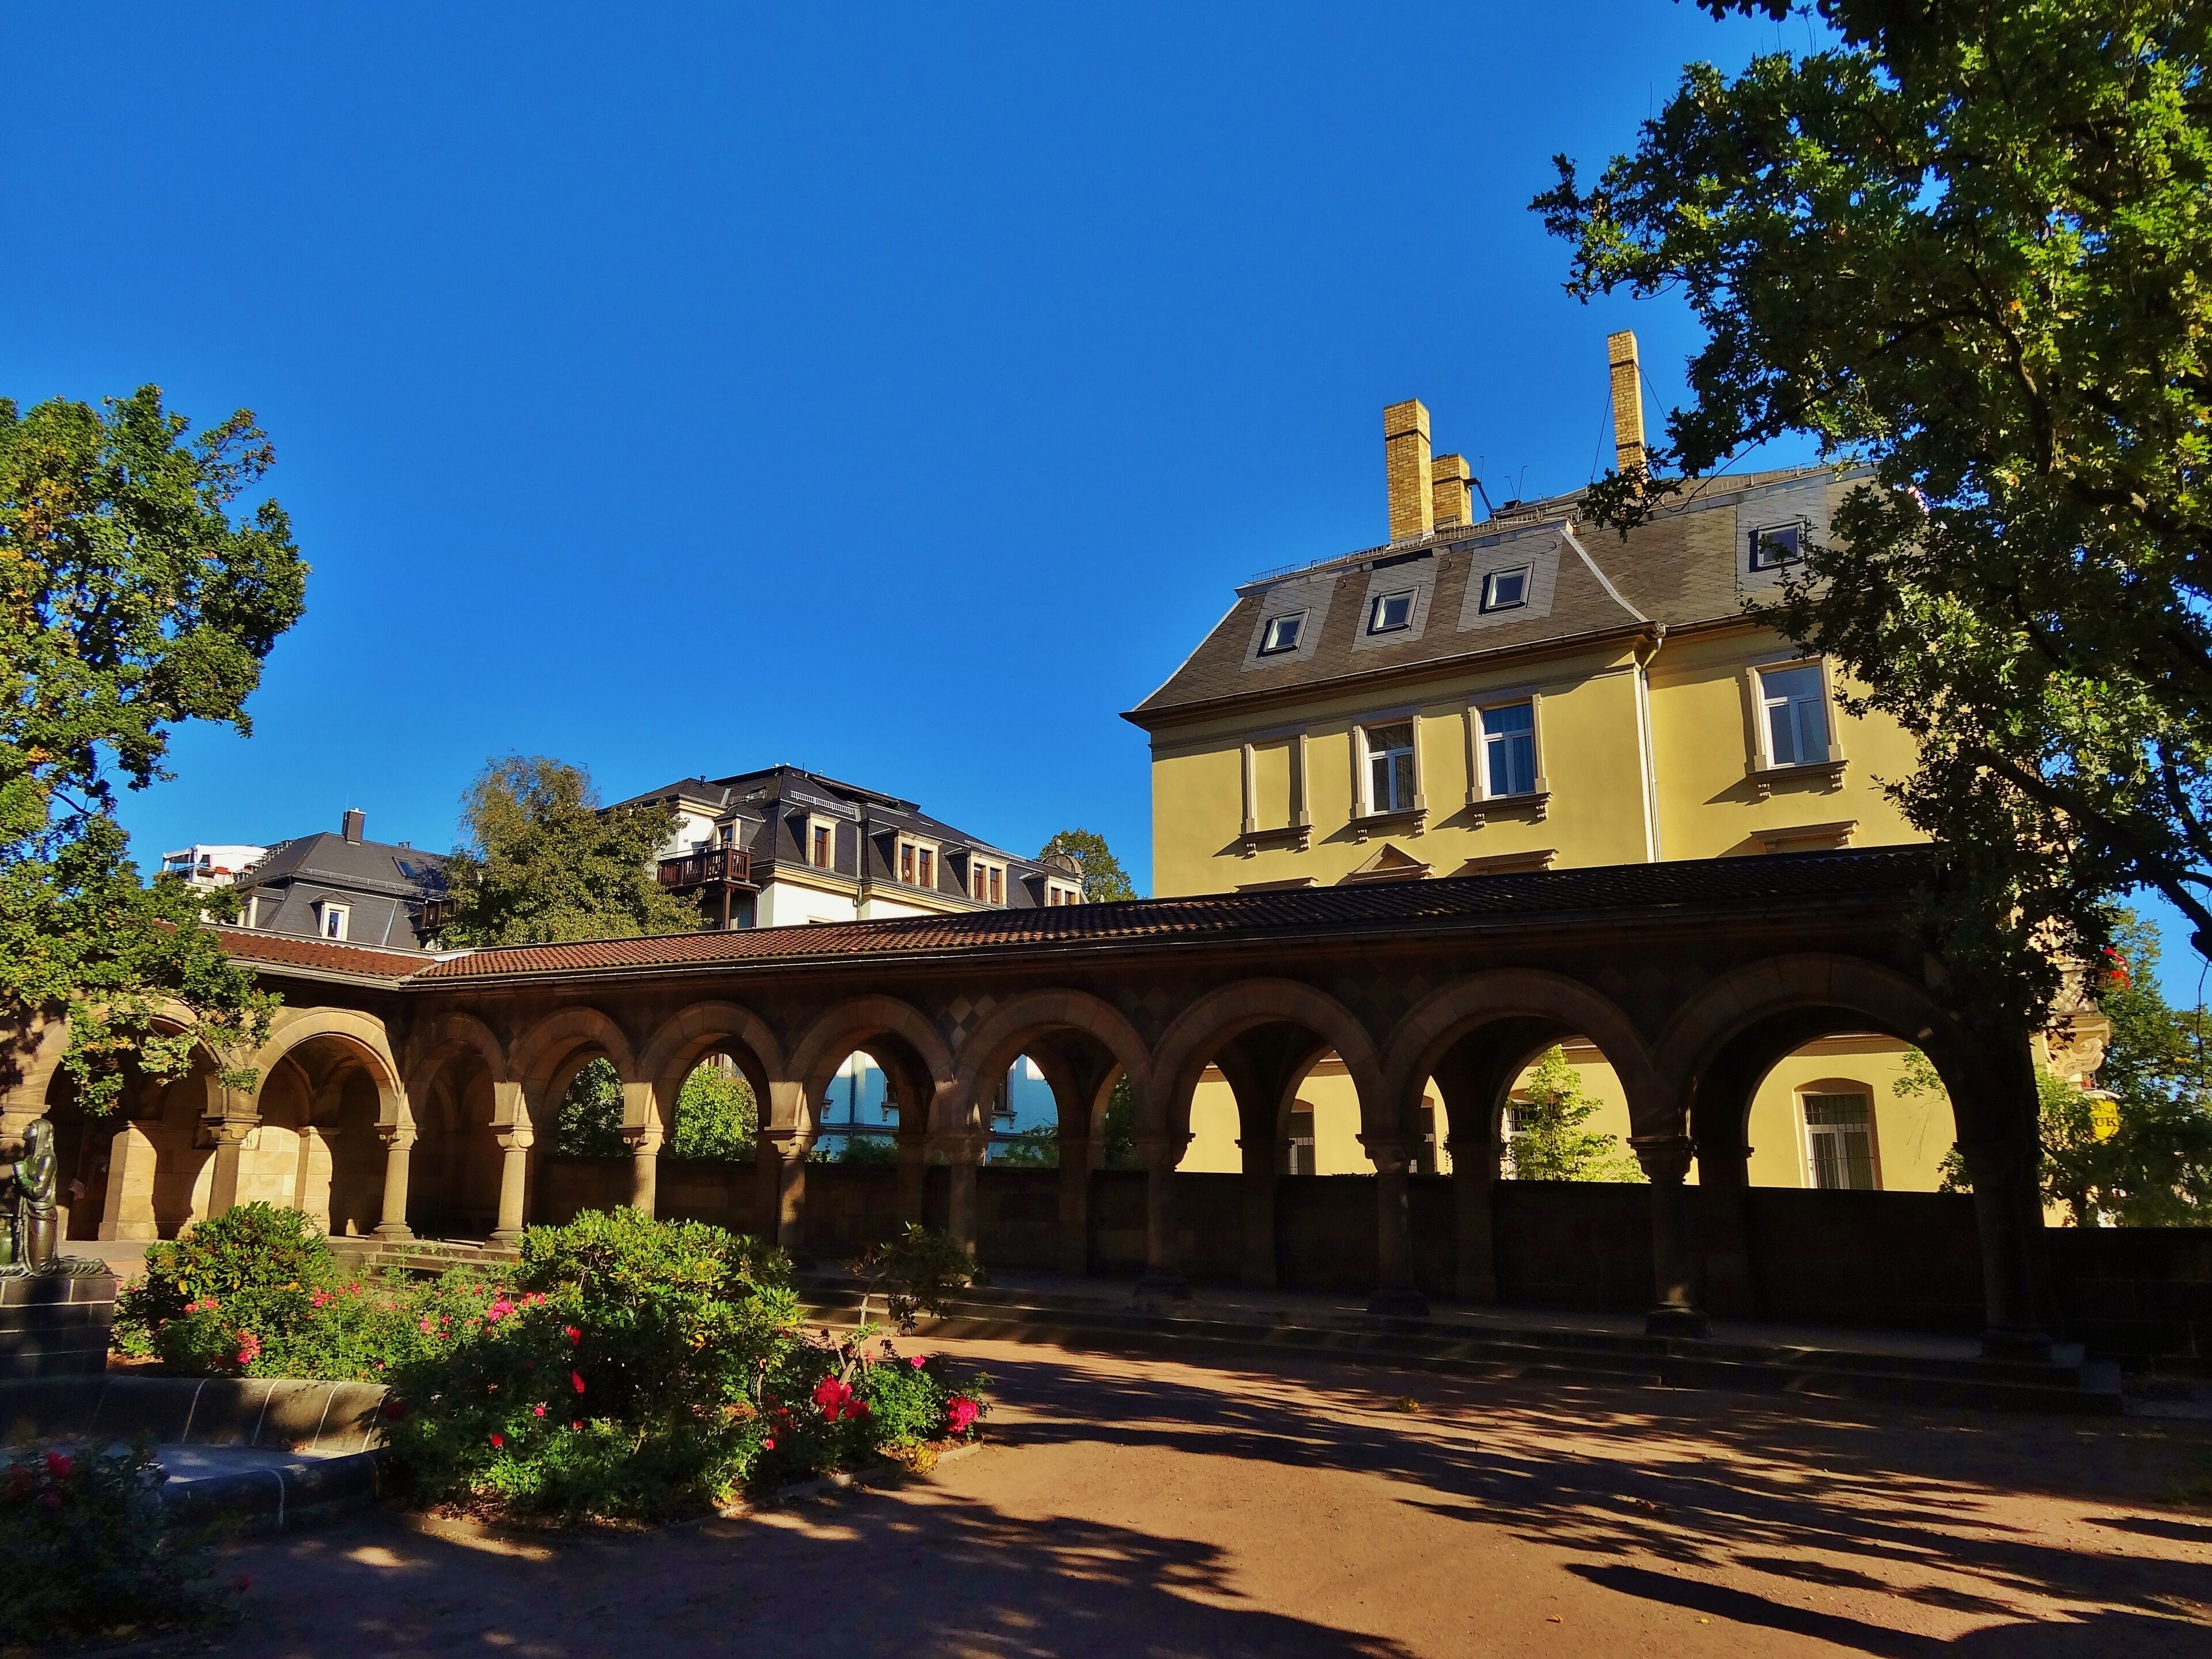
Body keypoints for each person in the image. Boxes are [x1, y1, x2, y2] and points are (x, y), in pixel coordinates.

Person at [1, 1118, 59, 1271]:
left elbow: (38, 1191)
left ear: (41, 1132)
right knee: (22, 1259)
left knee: (40, 1266)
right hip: (24, 1212)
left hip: (40, 1213)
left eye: (30, 1127)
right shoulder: (28, 1159)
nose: (25, 1129)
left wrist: (20, 1175)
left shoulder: (48, 1159)